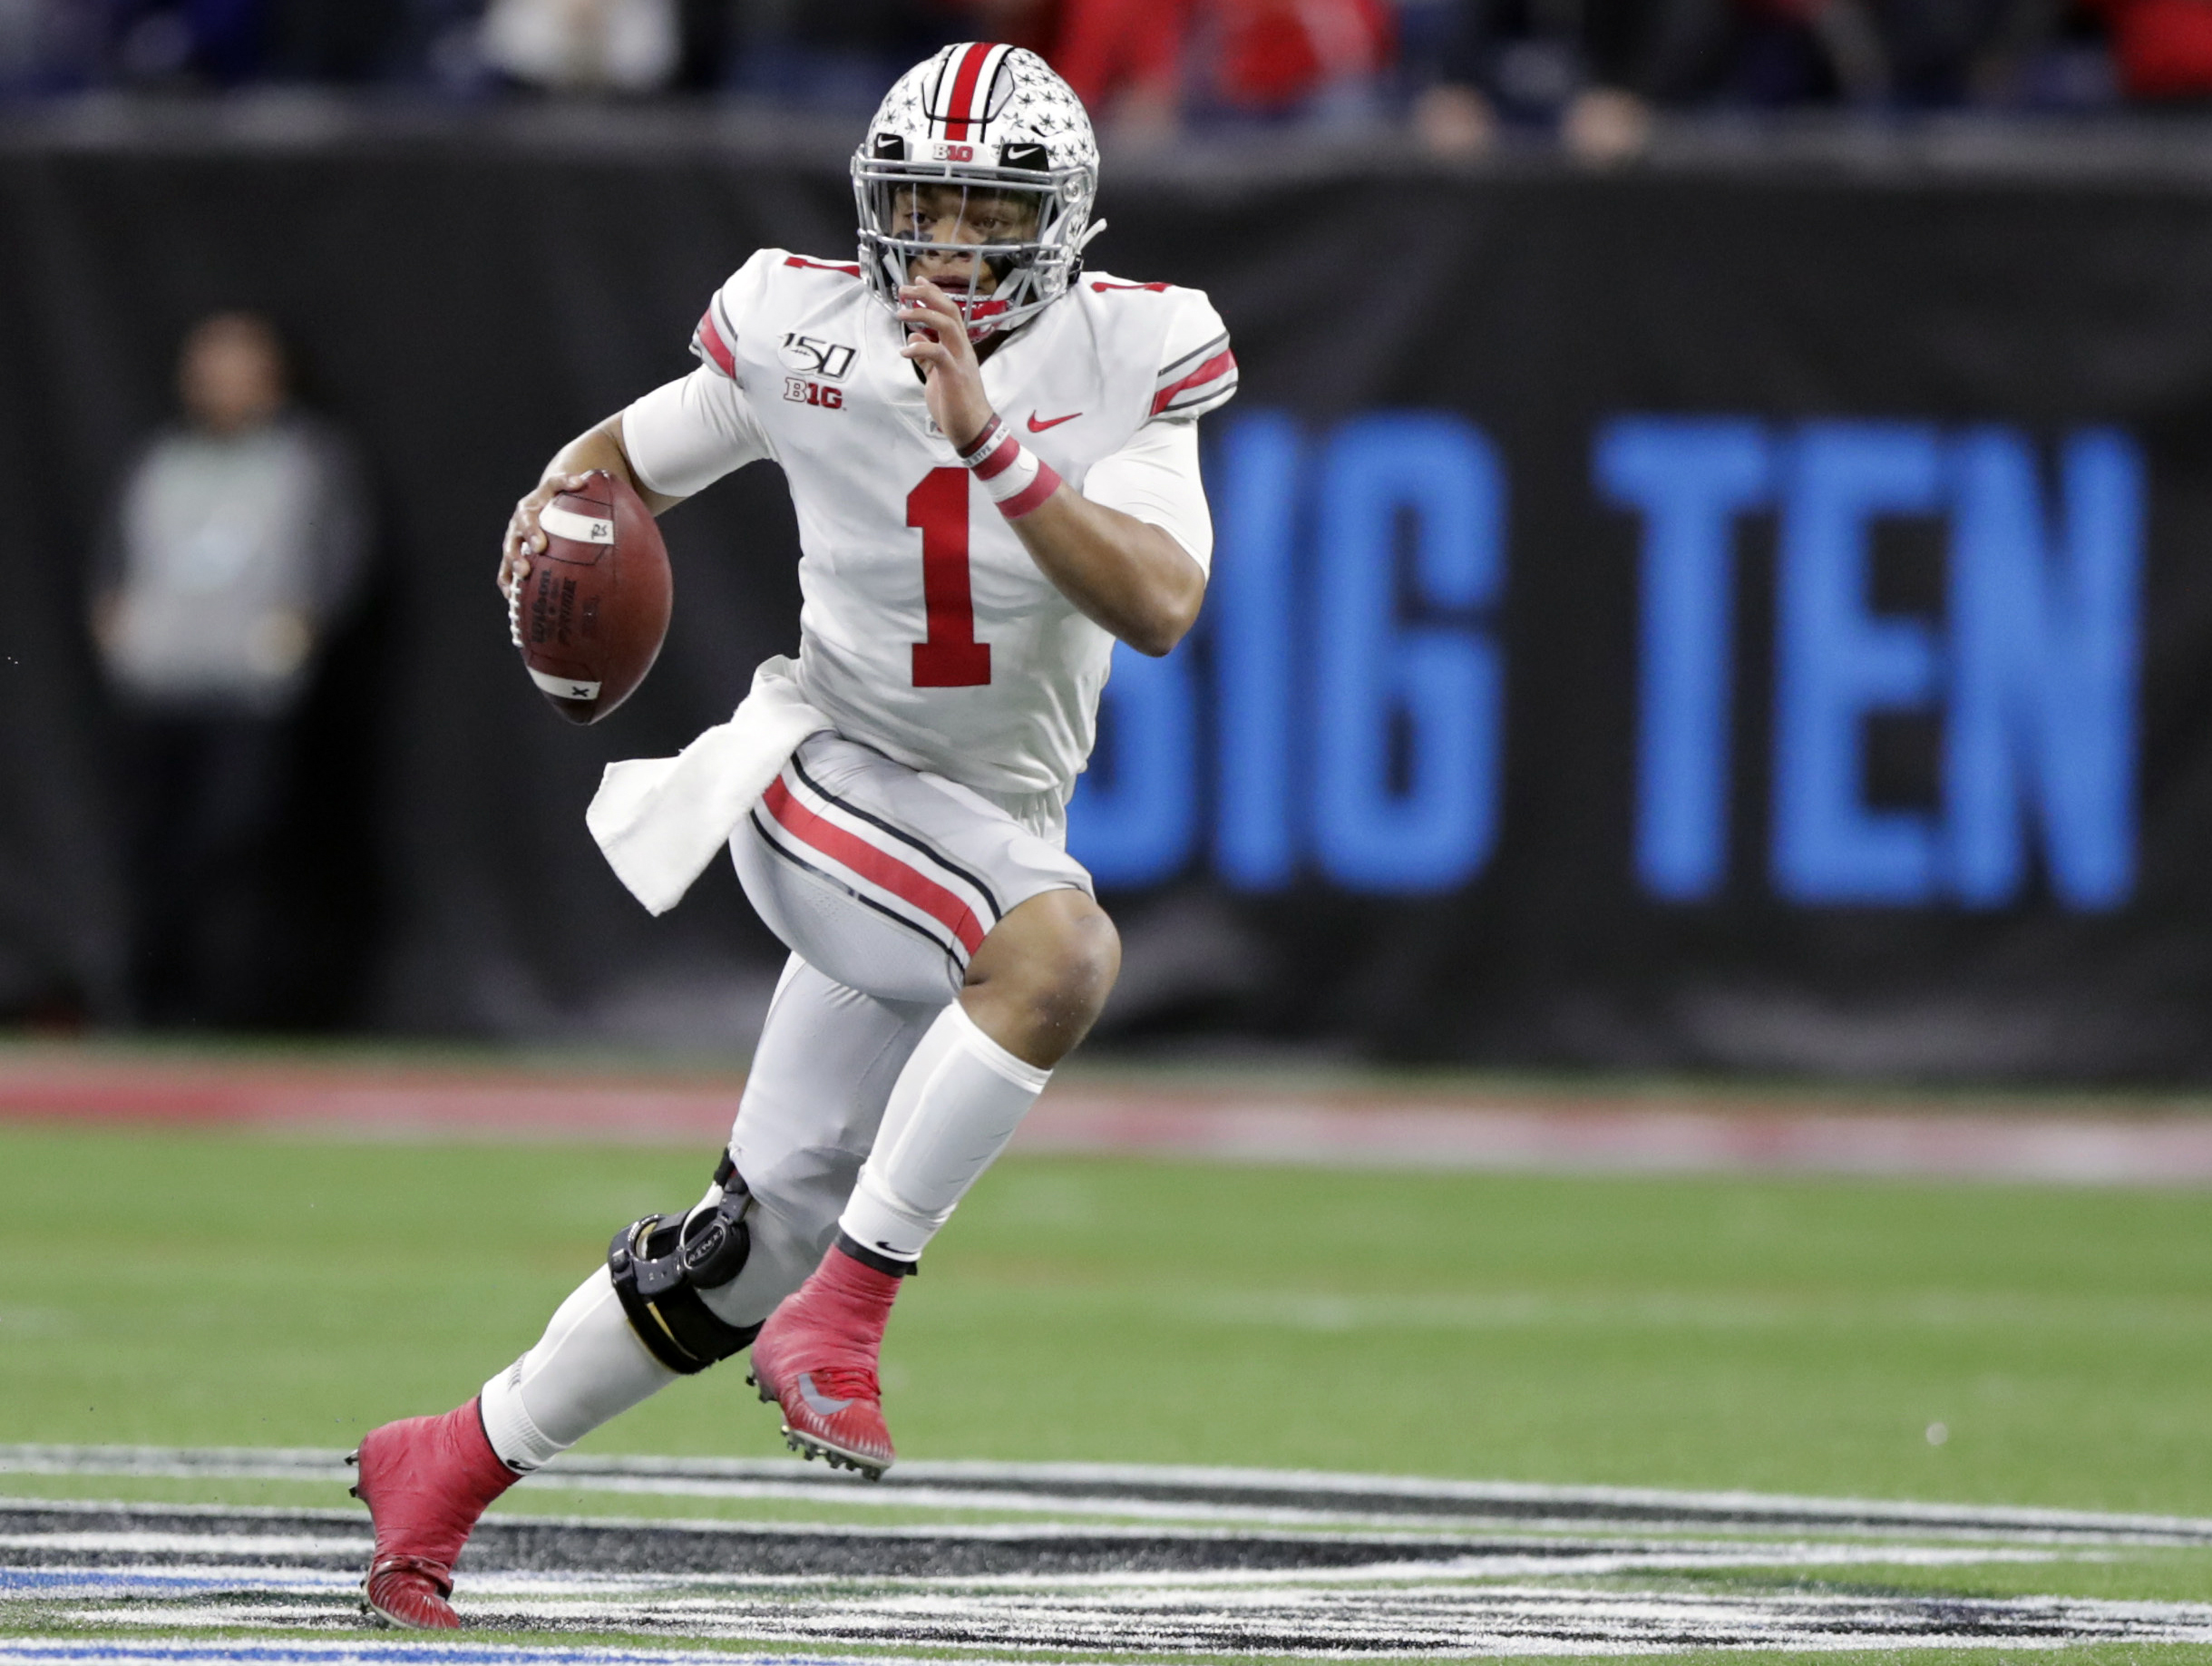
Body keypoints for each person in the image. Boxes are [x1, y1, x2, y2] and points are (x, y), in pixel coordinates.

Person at [346, 40, 1235, 1630]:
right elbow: (614, 461)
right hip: (818, 773)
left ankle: (449, 1462)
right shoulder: (799, 325)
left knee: (749, 1241)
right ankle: (849, 1315)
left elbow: (1160, 602)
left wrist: (997, 447)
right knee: (1057, 950)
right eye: (921, 205)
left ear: (1062, 221)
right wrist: (550, 557)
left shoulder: (1134, 348)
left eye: (986, 208)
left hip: (971, 821)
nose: (948, 244)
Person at [91, 310, 370, 1028]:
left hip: (250, 697)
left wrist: (300, 629)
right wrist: (119, 625)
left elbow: (339, 559)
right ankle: (149, 1009)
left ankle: (238, 1013)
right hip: (159, 691)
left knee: (241, 850)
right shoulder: (160, 460)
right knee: (153, 854)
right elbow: (119, 558)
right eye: (209, 363)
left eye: (238, 362)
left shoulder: (306, 460)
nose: (220, 378)